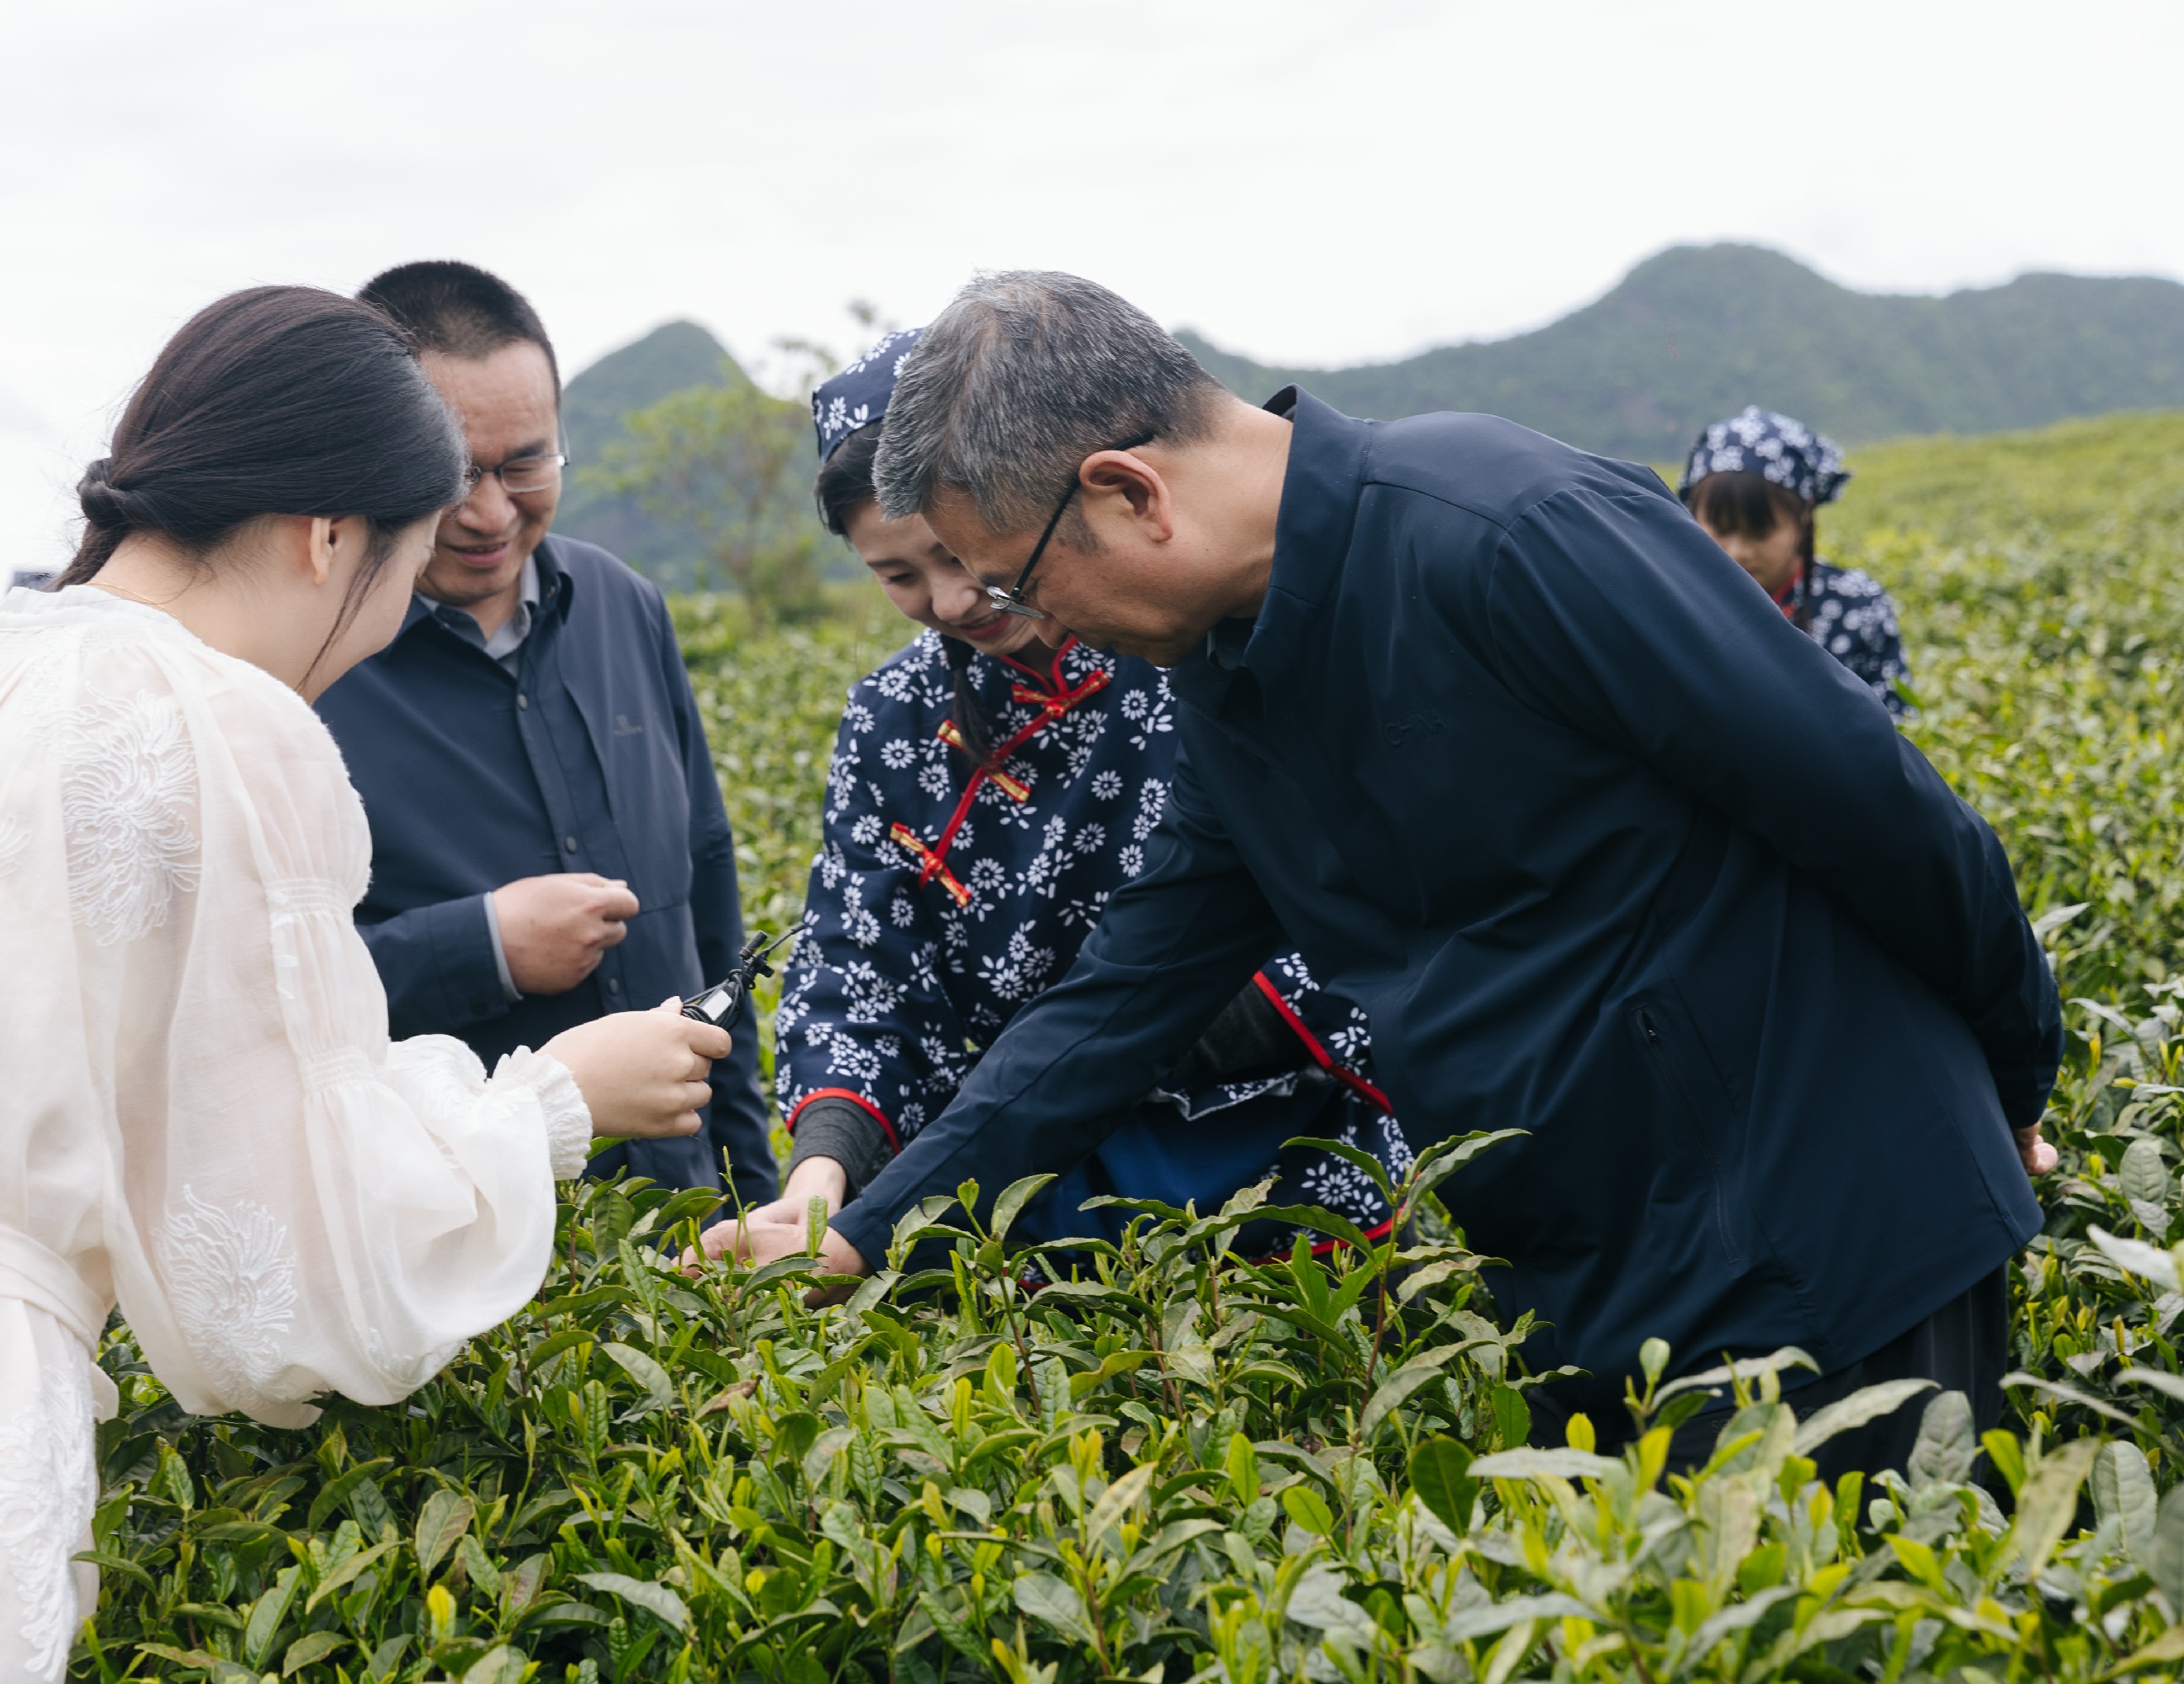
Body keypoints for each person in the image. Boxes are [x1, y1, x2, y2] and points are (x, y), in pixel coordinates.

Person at [704, 272, 2061, 1481]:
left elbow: (1877, 806)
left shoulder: (1503, 527)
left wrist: (2017, 1078)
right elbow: (1116, 1003)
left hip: (1840, 1236)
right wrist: (861, 1232)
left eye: (1019, 580)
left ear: (1126, 492)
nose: (1020, 625)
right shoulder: (1228, 680)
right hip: (1609, 1285)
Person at [0, 286, 727, 1676]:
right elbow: (279, 1281)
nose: (378, 631)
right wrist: (549, 1109)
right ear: (329, 535)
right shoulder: (214, 723)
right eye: (397, 584)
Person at [771, 333, 1409, 1246]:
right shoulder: (893, 716)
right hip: (1033, 1169)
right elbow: (862, 960)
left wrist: (1167, 1032)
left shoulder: (1179, 637)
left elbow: (1364, 900)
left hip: (1301, 1139)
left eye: (958, 554)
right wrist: (827, 1163)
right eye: (898, 574)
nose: (953, 601)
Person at [313, 261, 776, 1206]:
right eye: (447, 473)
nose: (489, 512)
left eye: (526, 462)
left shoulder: (622, 604)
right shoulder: (308, 662)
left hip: (682, 1214)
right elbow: (246, 1007)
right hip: (467, 1245)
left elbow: (706, 897)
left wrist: (746, 1184)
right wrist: (477, 945)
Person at [1681, 406, 1910, 716]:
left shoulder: (1857, 606)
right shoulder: (1675, 600)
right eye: (1720, 531)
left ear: (1803, 516)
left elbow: (1894, 730)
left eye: (1759, 532)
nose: (1737, 552)